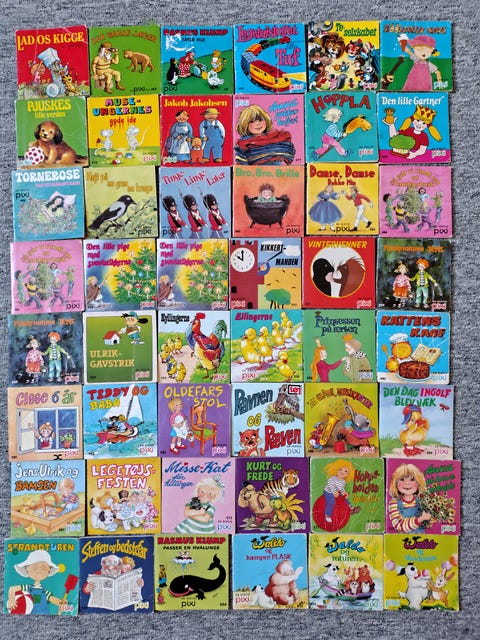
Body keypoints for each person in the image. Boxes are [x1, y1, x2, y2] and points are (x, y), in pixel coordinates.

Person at [388, 462, 433, 533]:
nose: (407, 483)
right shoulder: (394, 503)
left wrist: (430, 519)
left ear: (418, 483)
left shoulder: (422, 500)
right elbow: (398, 525)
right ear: (395, 483)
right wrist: (419, 519)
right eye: (402, 479)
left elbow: (428, 521)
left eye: (412, 479)